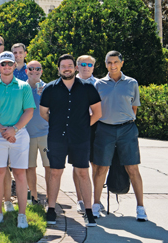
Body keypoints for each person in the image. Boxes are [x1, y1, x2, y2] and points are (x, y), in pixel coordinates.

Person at [40, 54, 102, 227]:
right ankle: (51, 209)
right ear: (58, 69)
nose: (66, 68)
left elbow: (97, 113)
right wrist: (57, 125)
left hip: (80, 138)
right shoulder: (50, 89)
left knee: (83, 172)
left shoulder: (87, 88)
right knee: (54, 172)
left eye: (69, 65)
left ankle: (88, 211)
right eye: (63, 66)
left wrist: (83, 126)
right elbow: (43, 112)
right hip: (57, 138)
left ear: (75, 68)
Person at [0, 51, 35, 229]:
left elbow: (29, 111)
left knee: (20, 174)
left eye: (9, 64)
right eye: (3, 64)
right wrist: (3, 130)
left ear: (14, 65)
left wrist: (14, 129)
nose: (6, 67)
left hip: (19, 134)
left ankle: (22, 214)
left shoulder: (23, 86)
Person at [92, 51, 147, 221]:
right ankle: (95, 205)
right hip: (104, 129)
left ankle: (140, 207)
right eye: (109, 62)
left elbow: (134, 108)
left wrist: (124, 120)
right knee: (101, 168)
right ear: (105, 63)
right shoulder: (99, 84)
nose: (112, 65)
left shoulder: (132, 83)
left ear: (122, 63)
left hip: (127, 130)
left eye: (116, 62)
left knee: (132, 168)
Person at [73, 54, 98, 213]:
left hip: (95, 126)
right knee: (78, 165)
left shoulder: (99, 84)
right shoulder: (70, 83)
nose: (86, 67)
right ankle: (80, 199)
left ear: (94, 68)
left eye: (89, 65)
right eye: (83, 64)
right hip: (76, 129)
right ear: (77, 67)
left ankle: (95, 201)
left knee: (96, 164)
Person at [24, 60, 50, 204]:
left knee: (49, 167)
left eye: (38, 68)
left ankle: (50, 198)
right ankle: (33, 198)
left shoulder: (47, 88)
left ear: (41, 71)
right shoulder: (21, 88)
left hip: (46, 133)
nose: (35, 71)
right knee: (30, 167)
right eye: (31, 68)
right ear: (26, 71)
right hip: (27, 134)